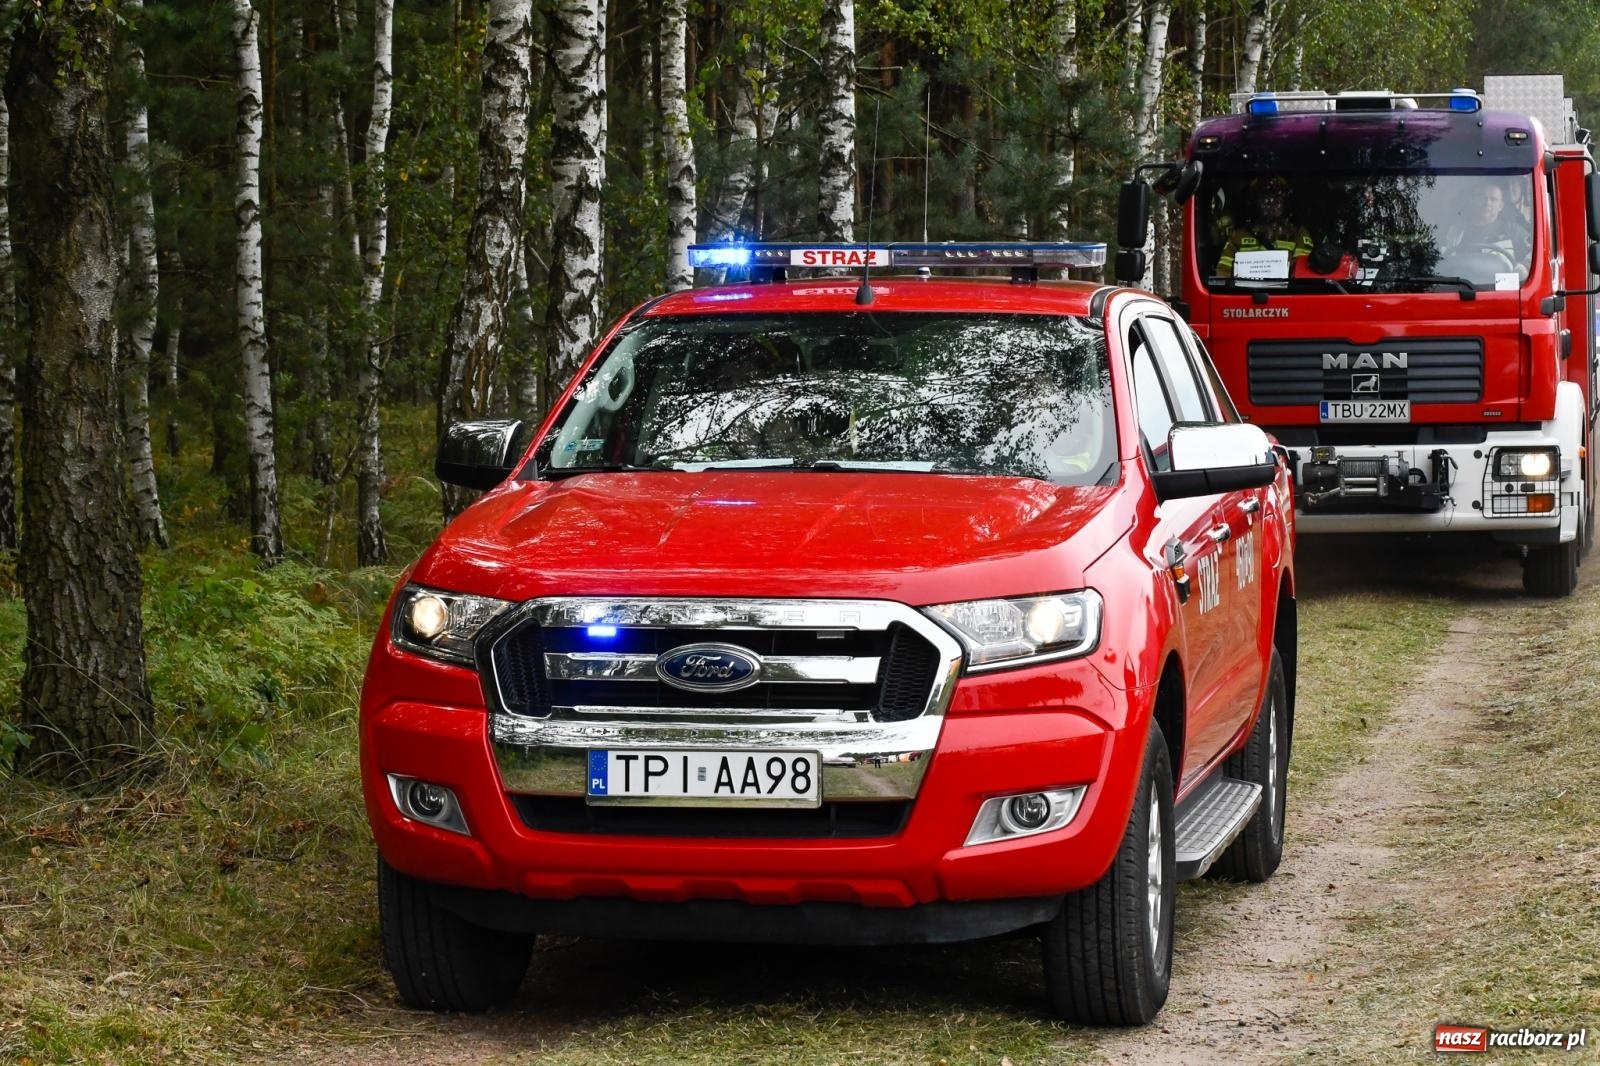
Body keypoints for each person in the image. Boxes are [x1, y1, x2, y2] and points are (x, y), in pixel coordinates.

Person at [1215, 178, 1315, 277]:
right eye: (1266, 196)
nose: (1272, 202)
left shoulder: (1298, 234)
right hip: (1245, 292)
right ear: (1256, 201)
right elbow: (1223, 272)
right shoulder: (1239, 235)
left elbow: (1303, 275)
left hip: (1287, 293)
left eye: (1277, 197)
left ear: (1285, 201)